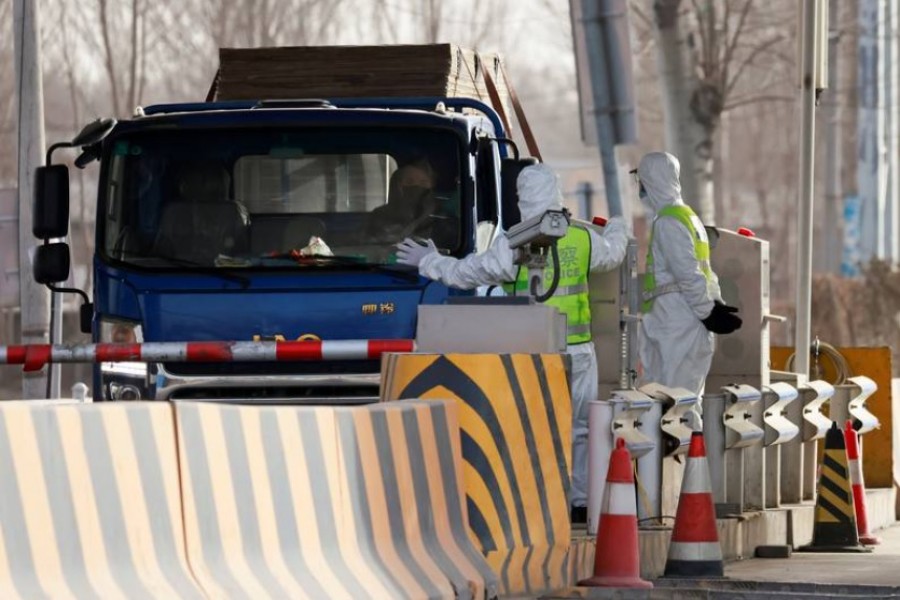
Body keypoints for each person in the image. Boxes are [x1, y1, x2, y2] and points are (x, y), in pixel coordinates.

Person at [395, 163, 628, 523]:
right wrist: (618, 225)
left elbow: (468, 272)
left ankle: (539, 499)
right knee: (580, 427)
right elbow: (613, 253)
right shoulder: (581, 238)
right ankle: (579, 501)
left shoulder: (514, 240)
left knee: (535, 425)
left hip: (534, 352)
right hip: (580, 350)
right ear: (557, 194)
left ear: (520, 197)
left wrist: (430, 262)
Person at [636, 151, 742, 397]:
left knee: (670, 401)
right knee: (683, 399)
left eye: (642, 181)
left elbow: (689, 274)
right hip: (684, 322)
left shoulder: (668, 223)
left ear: (652, 181)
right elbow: (706, 271)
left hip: (674, 323)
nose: (640, 188)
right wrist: (714, 306)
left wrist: (709, 311)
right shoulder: (688, 218)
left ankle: (679, 438)